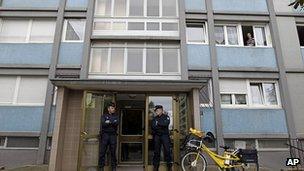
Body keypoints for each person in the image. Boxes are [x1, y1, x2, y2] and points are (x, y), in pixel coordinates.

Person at [98, 102, 119, 171]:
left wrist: (109, 122)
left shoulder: (116, 116)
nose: (113, 109)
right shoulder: (104, 116)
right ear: (108, 109)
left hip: (113, 136)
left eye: (114, 108)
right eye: (112, 108)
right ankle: (101, 167)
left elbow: (116, 123)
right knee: (102, 152)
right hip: (105, 136)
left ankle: (113, 167)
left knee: (113, 152)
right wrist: (112, 122)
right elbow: (103, 124)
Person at [151, 105, 173, 171]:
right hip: (157, 136)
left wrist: (158, 124)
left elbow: (166, 124)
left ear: (161, 110)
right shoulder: (155, 118)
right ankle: (156, 167)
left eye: (157, 110)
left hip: (165, 136)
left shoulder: (166, 117)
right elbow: (153, 126)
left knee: (167, 151)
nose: (156, 112)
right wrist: (160, 125)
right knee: (156, 152)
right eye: (156, 111)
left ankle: (169, 166)